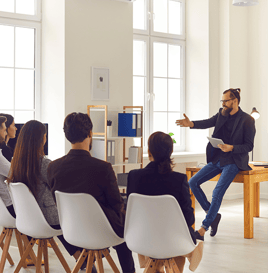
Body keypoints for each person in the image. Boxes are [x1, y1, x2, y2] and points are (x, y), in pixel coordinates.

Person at [47, 112, 135, 273]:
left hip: (72, 231)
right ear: (90, 133)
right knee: (125, 222)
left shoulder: (53, 167)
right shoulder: (103, 168)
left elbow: (57, 203)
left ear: (67, 135)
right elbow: (116, 204)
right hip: (103, 231)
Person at [176, 88, 256, 240]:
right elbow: (208, 122)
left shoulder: (247, 120)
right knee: (192, 182)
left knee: (216, 192)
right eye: (222, 101)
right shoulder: (222, 114)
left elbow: (249, 146)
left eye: (226, 101)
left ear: (235, 101)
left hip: (234, 161)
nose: (223, 104)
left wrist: (231, 147)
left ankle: (203, 228)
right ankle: (213, 216)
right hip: (217, 159)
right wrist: (191, 124)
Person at [7, 120, 82, 260]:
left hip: (26, 219)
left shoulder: (15, 163)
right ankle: (85, 257)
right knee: (77, 214)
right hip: (47, 219)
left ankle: (83, 258)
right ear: (41, 139)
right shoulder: (44, 164)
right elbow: (61, 188)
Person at [127, 131, 200, 273]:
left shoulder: (134, 176)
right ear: (170, 152)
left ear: (149, 151)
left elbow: (130, 213)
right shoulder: (179, 180)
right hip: (173, 242)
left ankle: (157, 268)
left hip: (141, 239)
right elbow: (188, 218)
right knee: (182, 245)